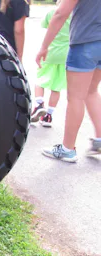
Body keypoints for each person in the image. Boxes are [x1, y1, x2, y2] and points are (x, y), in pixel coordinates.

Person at [37, 0, 101, 162]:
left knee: (76, 98)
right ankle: (100, 139)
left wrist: (44, 46)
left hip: (85, 42)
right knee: (91, 91)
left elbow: (61, 13)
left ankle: (67, 149)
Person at [31, 2, 70, 128]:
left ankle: (39, 104)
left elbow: (45, 26)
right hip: (66, 54)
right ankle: (48, 116)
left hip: (50, 51)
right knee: (57, 86)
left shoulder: (52, 12)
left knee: (40, 79)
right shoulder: (74, 14)